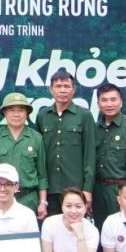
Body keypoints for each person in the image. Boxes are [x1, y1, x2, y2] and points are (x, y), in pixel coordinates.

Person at [34, 69, 95, 206]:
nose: (63, 90)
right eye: (58, 86)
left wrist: (87, 189)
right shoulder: (42, 115)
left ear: (73, 90)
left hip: (76, 189)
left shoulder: (84, 115)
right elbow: (38, 155)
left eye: (67, 86)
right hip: (49, 189)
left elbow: (90, 155)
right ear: (51, 89)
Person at [93, 83, 126, 226]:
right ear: (98, 104)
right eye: (104, 100)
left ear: (121, 102)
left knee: (122, 230)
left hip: (119, 190)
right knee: (100, 230)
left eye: (113, 99)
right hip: (97, 190)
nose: (109, 104)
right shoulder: (94, 128)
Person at [0, 92, 46, 214]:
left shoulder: (36, 138)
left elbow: (42, 175)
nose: (16, 114)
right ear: (4, 113)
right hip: (1, 197)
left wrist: (43, 202)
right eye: (11, 110)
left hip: (29, 199)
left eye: (21, 110)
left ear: (27, 113)